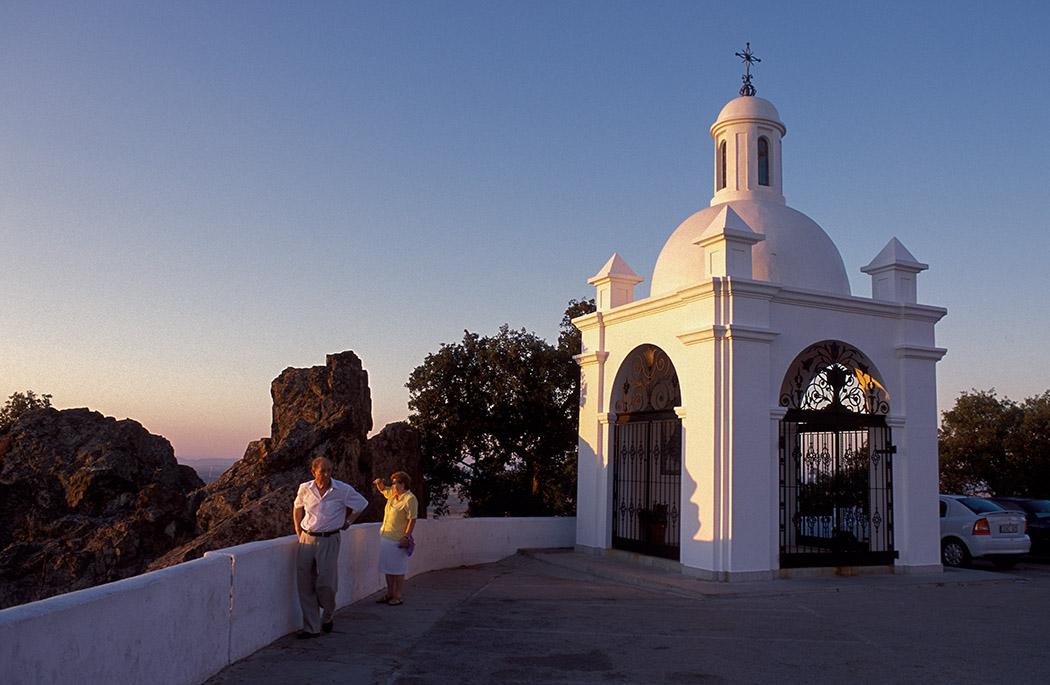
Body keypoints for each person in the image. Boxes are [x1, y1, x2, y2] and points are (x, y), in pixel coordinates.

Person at [292, 456, 368, 638]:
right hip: (307, 538)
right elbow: (297, 508)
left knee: (326, 583)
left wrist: (349, 521)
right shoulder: (305, 488)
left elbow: (362, 504)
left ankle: (328, 615)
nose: (326, 474)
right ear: (313, 472)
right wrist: (298, 532)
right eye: (322, 471)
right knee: (305, 583)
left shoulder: (342, 489)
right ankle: (311, 628)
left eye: (328, 471)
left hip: (329, 539)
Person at [372, 471, 418, 606]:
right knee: (388, 568)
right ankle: (389, 593)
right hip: (386, 536)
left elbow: (412, 519)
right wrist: (379, 483)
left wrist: (406, 536)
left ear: (403, 484)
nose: (392, 486)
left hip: (398, 539)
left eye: (395, 483)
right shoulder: (393, 496)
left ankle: (398, 596)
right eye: (392, 483)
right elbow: (382, 490)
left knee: (398, 569)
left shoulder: (410, 499)